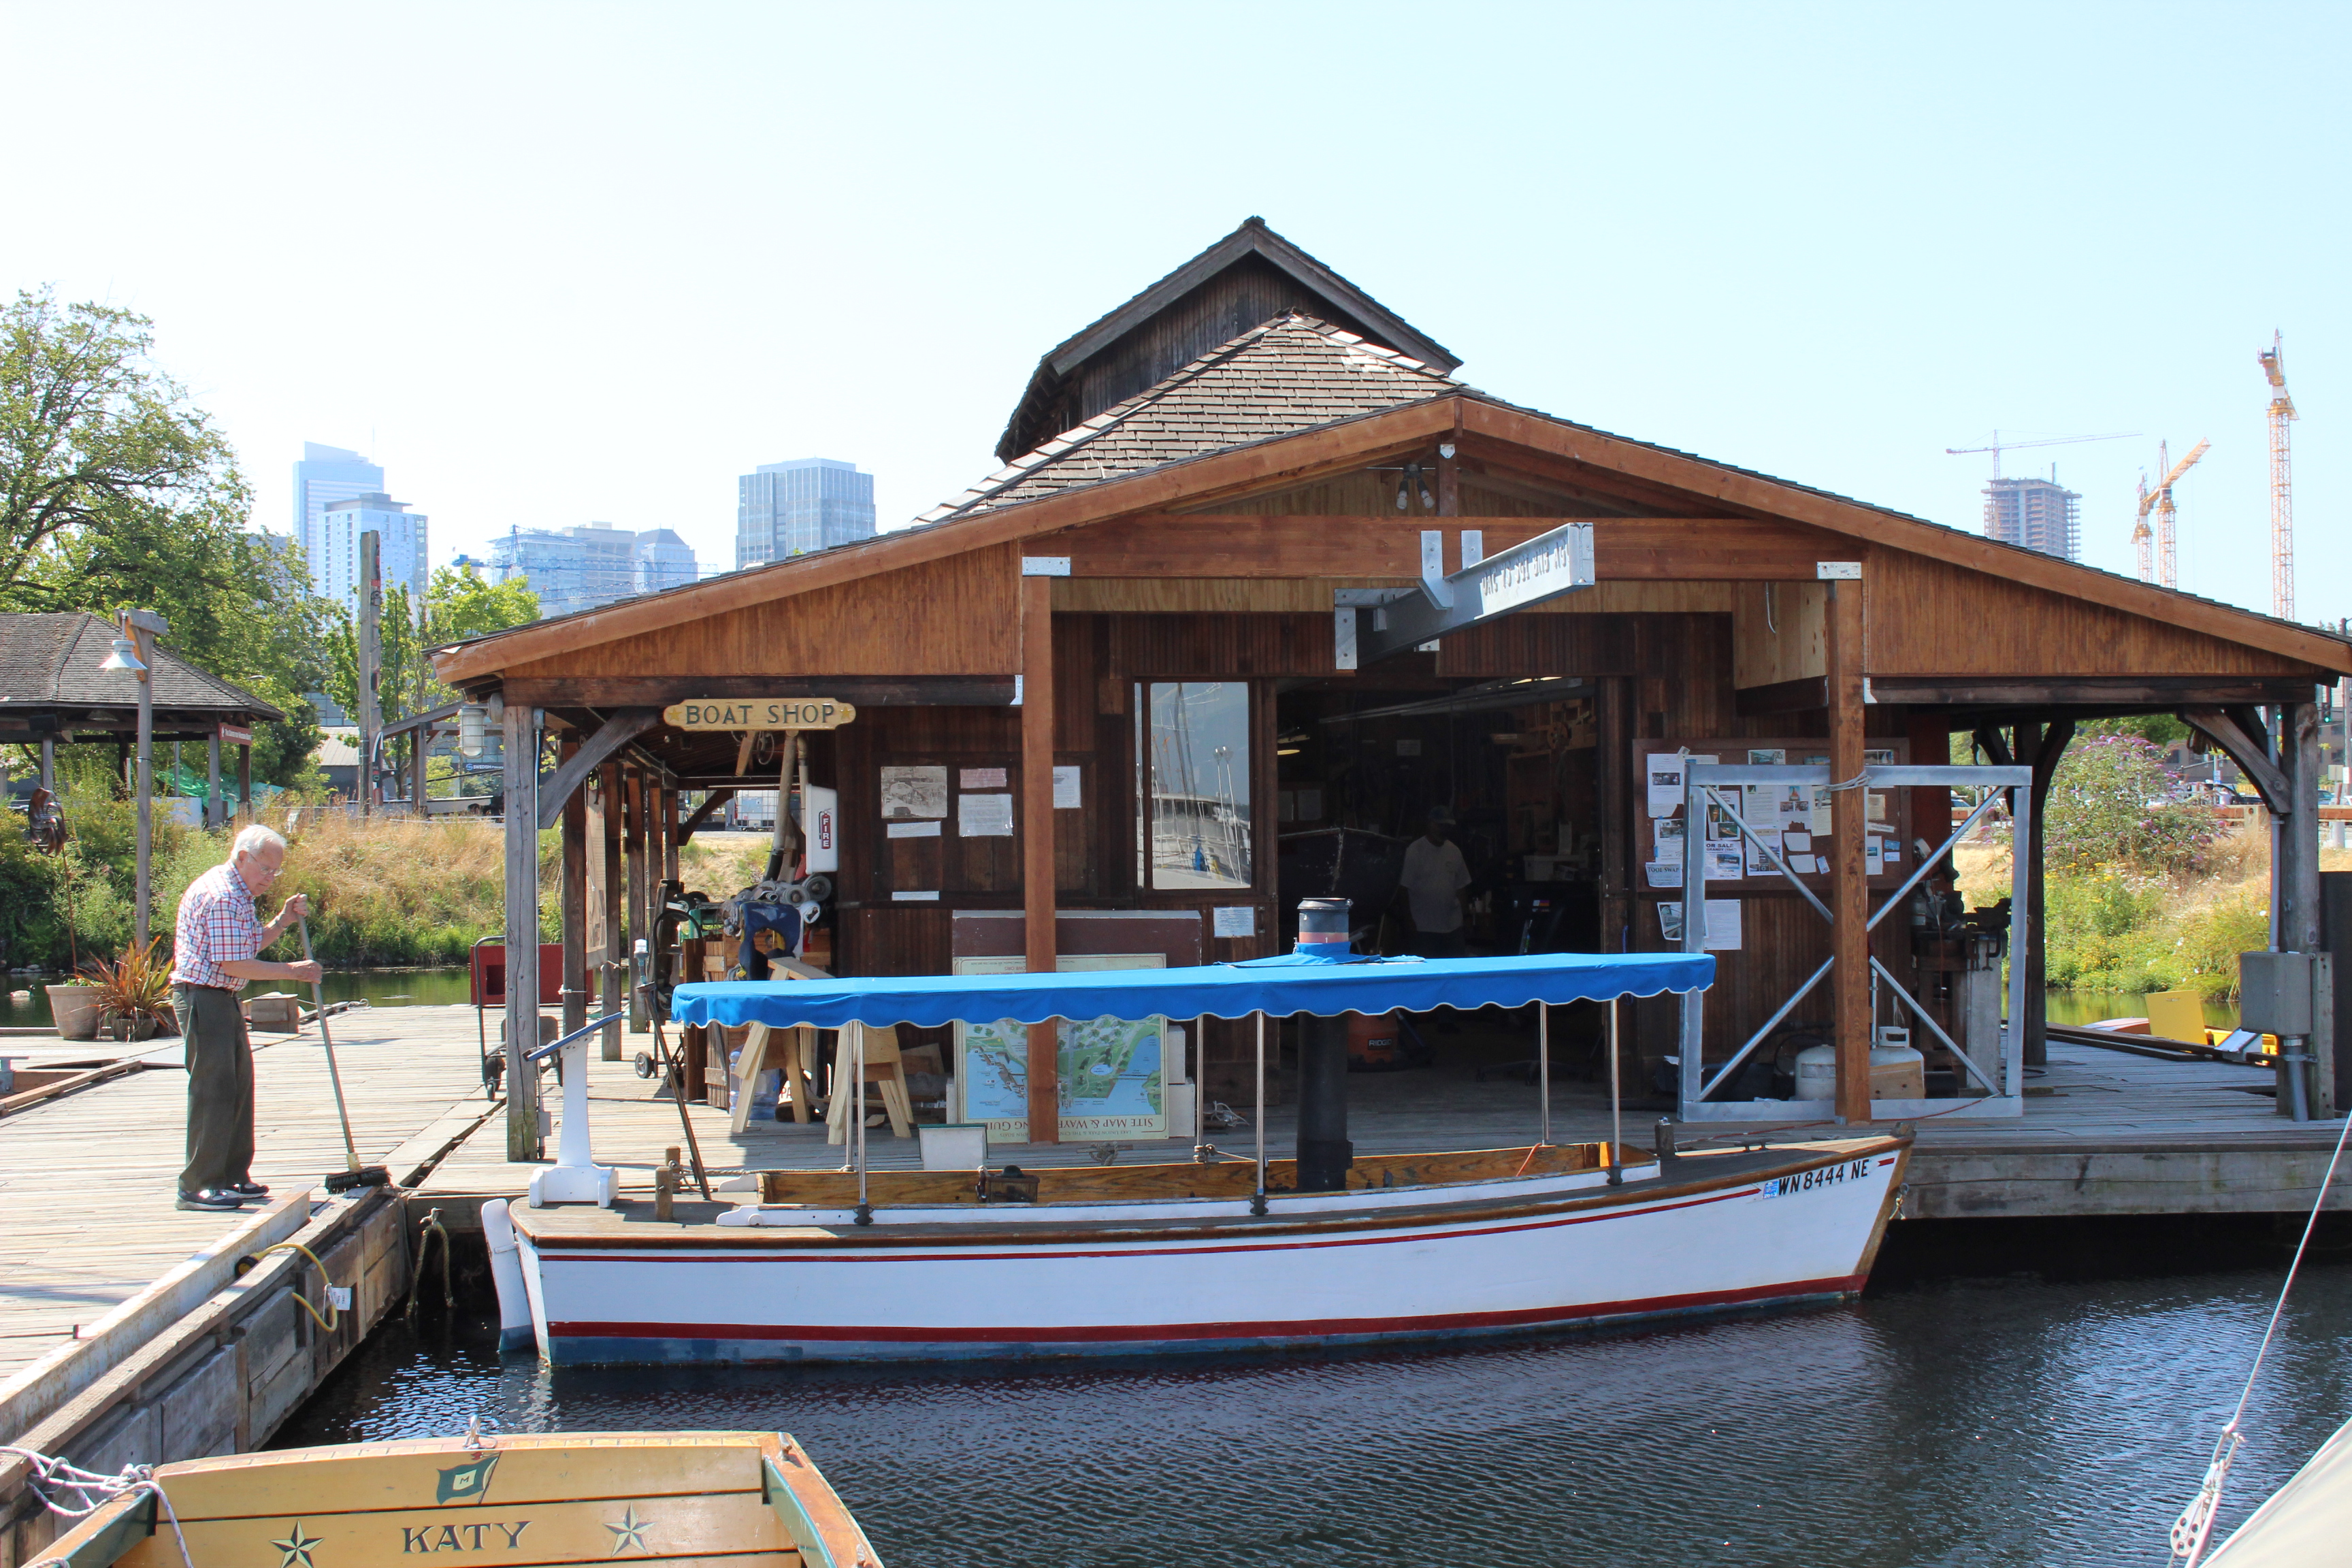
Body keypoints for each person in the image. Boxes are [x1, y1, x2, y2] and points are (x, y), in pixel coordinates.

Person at [169, 823, 321, 1211]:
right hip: (204, 998)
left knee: (238, 1086)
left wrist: (282, 920)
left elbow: (248, 943)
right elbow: (234, 962)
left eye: (276, 872)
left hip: (222, 997)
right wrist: (293, 971)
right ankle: (198, 1184)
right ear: (242, 858)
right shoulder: (222, 896)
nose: (270, 879)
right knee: (213, 1090)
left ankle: (233, 1176)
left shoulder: (238, 892)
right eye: (265, 870)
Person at [1398, 806, 1473, 960]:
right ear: (1430, 824)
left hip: (1453, 928)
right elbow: (1403, 888)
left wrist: (1466, 918)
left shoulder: (1454, 851)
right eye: (1440, 825)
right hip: (1424, 929)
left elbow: (1461, 887)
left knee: (1455, 972)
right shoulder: (1415, 851)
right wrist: (1409, 921)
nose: (1443, 830)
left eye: (1447, 826)